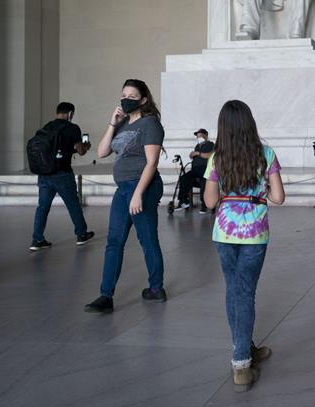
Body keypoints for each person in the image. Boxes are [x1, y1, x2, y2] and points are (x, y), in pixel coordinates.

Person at [203, 100, 285, 392]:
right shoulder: (266, 153)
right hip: (254, 234)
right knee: (245, 292)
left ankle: (245, 347)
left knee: (234, 289)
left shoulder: (217, 158)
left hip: (224, 232)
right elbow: (278, 197)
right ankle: (241, 362)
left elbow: (210, 202)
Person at [84, 79, 167, 314]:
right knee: (114, 241)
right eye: (123, 95)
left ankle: (156, 288)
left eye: (132, 96)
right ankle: (105, 295)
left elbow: (152, 163)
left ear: (143, 100)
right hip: (123, 189)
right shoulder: (122, 125)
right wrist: (113, 123)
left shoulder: (150, 124)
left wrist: (138, 194)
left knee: (147, 239)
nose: (126, 99)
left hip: (142, 186)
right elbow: (101, 152)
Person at [29, 102, 95, 251]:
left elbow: (53, 149)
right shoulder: (72, 128)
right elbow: (81, 151)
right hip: (62, 174)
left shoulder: (47, 127)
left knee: (43, 207)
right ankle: (81, 234)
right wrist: (86, 146)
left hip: (44, 174)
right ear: (70, 114)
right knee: (73, 204)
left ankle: (37, 239)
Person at [177, 128, 214, 213]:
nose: (198, 137)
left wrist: (197, 153)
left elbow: (211, 154)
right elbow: (193, 155)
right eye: (197, 136)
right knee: (184, 178)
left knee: (204, 180)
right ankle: (183, 200)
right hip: (195, 169)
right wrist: (192, 154)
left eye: (200, 135)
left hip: (205, 168)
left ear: (205, 135)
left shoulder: (210, 144)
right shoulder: (197, 146)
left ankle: (204, 204)